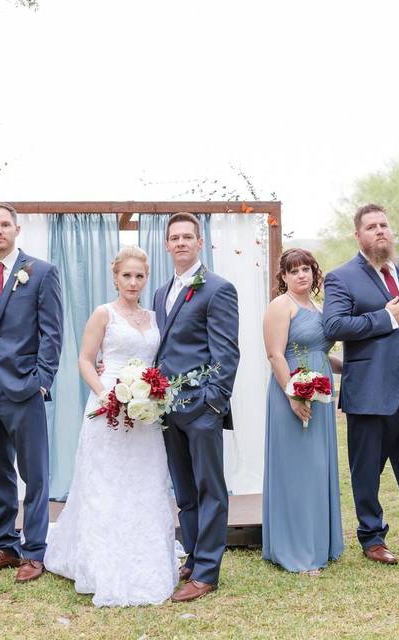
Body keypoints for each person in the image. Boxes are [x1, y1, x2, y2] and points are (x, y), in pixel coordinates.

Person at [45, 246, 179, 606]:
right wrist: (107, 394)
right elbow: (86, 361)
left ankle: (144, 550)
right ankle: (101, 558)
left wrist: (151, 393)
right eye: (126, 275)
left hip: (146, 412)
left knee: (144, 480)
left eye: (139, 276)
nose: (133, 282)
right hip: (108, 408)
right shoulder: (103, 314)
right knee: (106, 481)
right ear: (115, 277)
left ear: (145, 278)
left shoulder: (154, 317)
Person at [321, 203, 399, 565]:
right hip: (369, 392)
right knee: (367, 469)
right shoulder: (342, 277)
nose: (380, 231)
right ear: (358, 235)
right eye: (371, 227)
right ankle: (372, 538)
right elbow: (334, 326)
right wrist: (385, 318)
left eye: (384, 225)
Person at [0, 202, 63, 582]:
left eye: (5, 224)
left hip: (24, 386)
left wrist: (41, 379)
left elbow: (52, 333)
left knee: (34, 473)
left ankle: (34, 552)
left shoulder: (41, 273)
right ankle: (3, 546)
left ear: (17, 230)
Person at [152, 212, 240, 603]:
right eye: (175, 237)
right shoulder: (160, 293)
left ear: (199, 243)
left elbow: (227, 353)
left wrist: (213, 402)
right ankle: (191, 556)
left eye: (189, 236)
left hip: (202, 408)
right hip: (168, 409)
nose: (182, 242)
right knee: (184, 490)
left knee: (210, 489)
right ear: (167, 244)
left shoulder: (218, 289)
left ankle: (207, 572)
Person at [261, 248, 343, 574]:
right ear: (283, 277)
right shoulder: (281, 306)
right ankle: (296, 549)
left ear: (314, 272)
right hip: (291, 394)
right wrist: (293, 396)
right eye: (293, 271)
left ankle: (320, 541)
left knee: (317, 467)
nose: (301, 275)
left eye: (306, 269)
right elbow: (275, 355)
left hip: (321, 396)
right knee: (297, 470)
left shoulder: (320, 308)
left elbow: (320, 352)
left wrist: (351, 368)